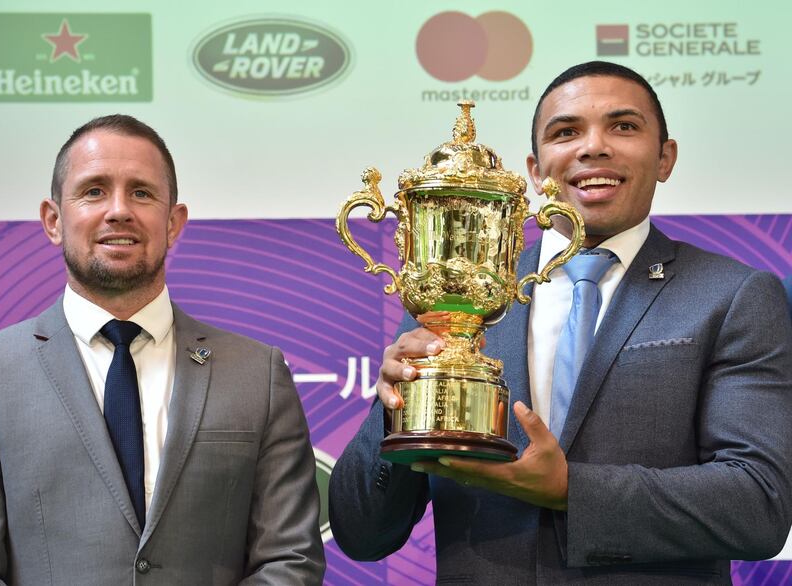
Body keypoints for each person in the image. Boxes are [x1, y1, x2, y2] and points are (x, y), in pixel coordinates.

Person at [328, 61, 792, 584]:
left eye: (624, 126)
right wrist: (392, 413)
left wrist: (571, 489)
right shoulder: (461, 296)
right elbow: (362, 533)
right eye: (566, 131)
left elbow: (760, 504)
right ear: (535, 171)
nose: (592, 147)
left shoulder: (731, 295)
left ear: (666, 158)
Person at [0, 115, 325, 584]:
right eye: (93, 191)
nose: (119, 210)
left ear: (173, 223)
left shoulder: (257, 375)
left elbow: (290, 561)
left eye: (142, 193)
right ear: (53, 220)